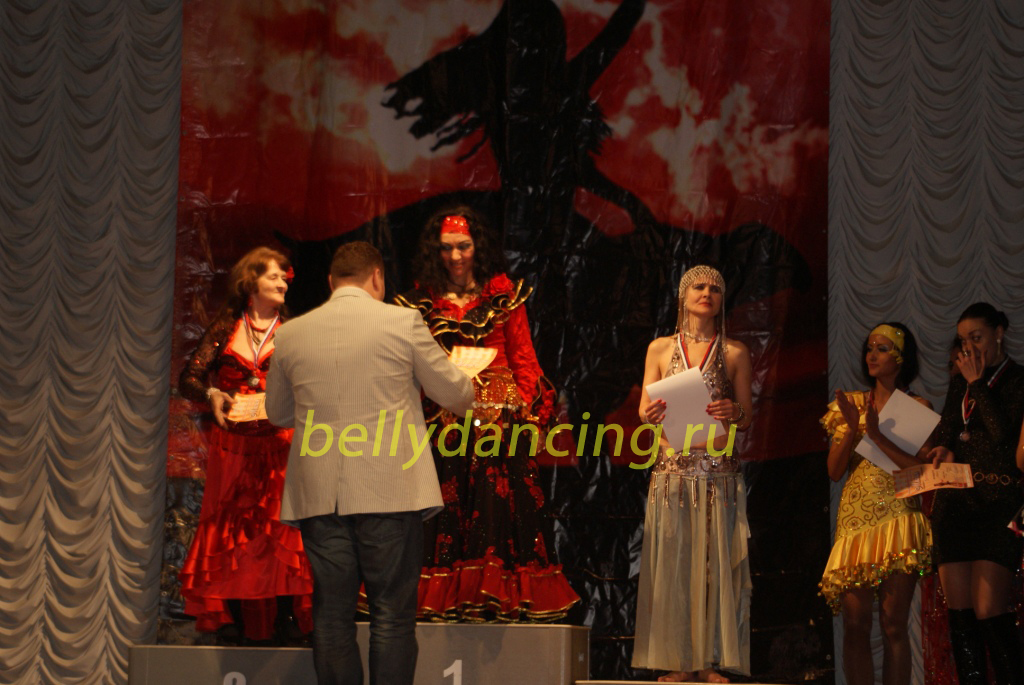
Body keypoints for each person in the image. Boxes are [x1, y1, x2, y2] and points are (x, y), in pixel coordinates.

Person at [265, 241, 474, 685]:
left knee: (331, 616)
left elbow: (279, 413)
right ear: (377, 277)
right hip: (389, 491)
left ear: (331, 282)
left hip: (320, 495)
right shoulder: (402, 322)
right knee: (392, 616)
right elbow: (456, 395)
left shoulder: (291, 333)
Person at [394, 206, 579, 621]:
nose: (455, 256)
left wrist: (528, 410)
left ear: (477, 246)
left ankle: (495, 593)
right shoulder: (423, 301)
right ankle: (449, 595)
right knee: (447, 505)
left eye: (463, 246)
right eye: (446, 248)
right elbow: (415, 366)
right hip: (446, 414)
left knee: (498, 505)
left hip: (499, 416)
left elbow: (524, 358)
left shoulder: (503, 296)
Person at [177, 246, 313, 644]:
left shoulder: (294, 331)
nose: (283, 282)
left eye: (285, 276)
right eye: (274, 276)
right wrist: (212, 393)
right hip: (233, 449)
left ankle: (285, 619)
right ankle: (235, 620)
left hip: (280, 445)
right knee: (233, 535)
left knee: (281, 533)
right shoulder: (226, 328)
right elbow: (189, 379)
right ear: (251, 282)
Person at [632, 265, 753, 683]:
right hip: (673, 472)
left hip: (718, 475)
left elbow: (746, 417)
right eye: (698, 286)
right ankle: (679, 662)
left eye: (715, 288)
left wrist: (733, 410)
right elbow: (644, 410)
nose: (707, 293)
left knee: (712, 569)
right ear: (683, 296)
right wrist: (649, 413)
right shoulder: (660, 348)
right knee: (675, 567)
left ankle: (707, 662)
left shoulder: (734, 352)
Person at [819, 323, 933, 685]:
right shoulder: (850, 405)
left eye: (883, 349)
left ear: (901, 358)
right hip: (855, 523)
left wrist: (877, 436)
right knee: (855, 625)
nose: (872, 355)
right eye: (870, 347)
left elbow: (920, 470)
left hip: (898, 517)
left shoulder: (916, 406)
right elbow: (834, 471)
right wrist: (852, 428)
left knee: (893, 624)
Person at [928, 303, 1024, 685]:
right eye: (963, 340)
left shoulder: (1017, 379)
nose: (968, 347)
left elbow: (1004, 439)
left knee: (989, 610)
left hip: (997, 506)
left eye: (977, 337)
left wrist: (978, 384)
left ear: (999, 333)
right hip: (955, 506)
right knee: (961, 615)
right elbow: (951, 431)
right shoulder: (960, 384)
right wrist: (943, 449)